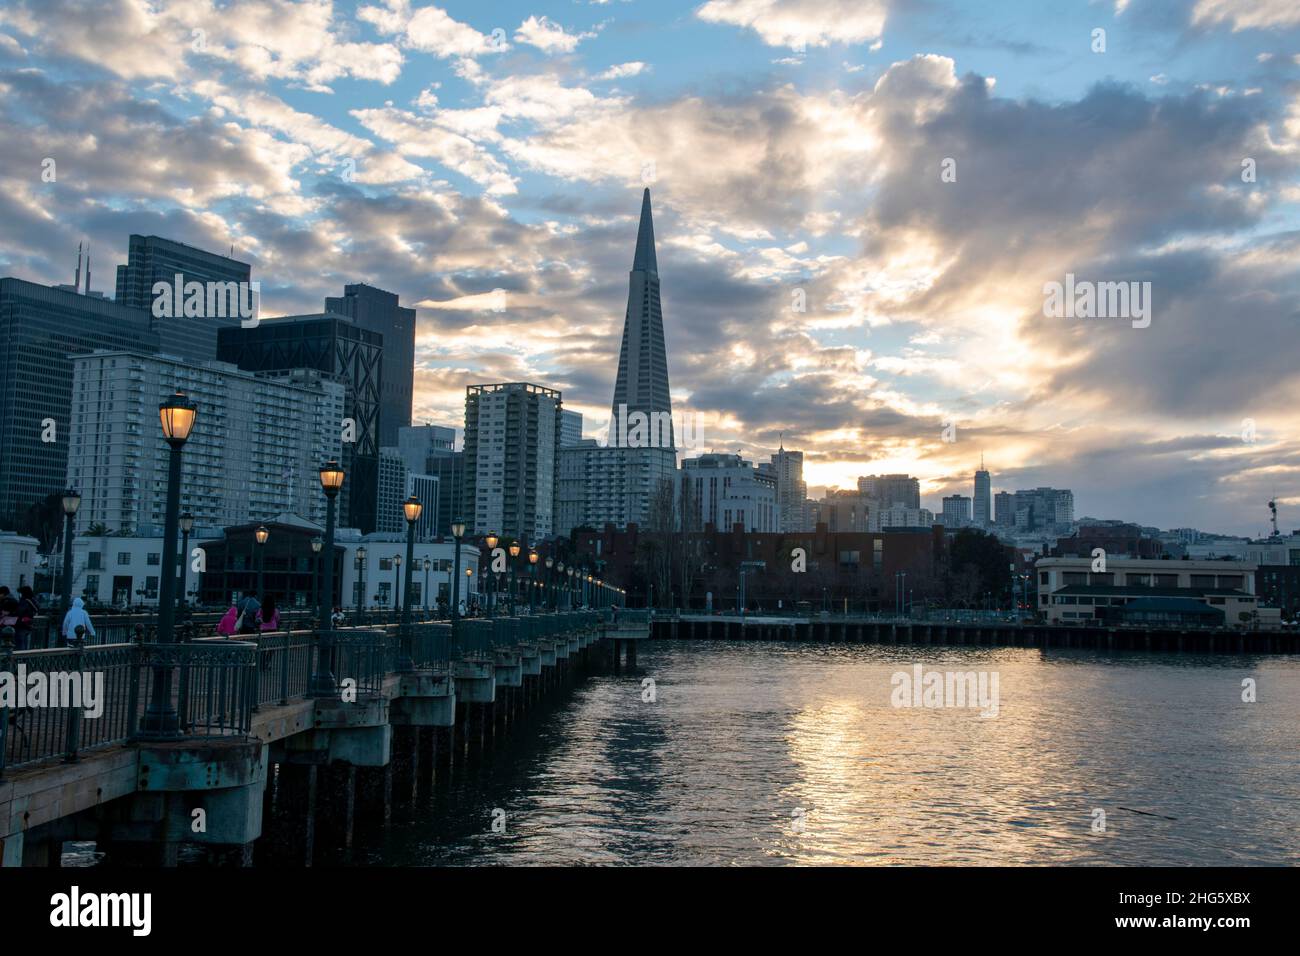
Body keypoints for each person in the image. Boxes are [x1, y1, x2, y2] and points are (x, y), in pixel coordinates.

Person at [14, 586, 39, 650]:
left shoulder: (24, 601)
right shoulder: (32, 600)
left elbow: (19, 612)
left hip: (21, 624)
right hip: (28, 623)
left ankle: (20, 657)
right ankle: (25, 656)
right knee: (25, 641)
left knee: (20, 641)